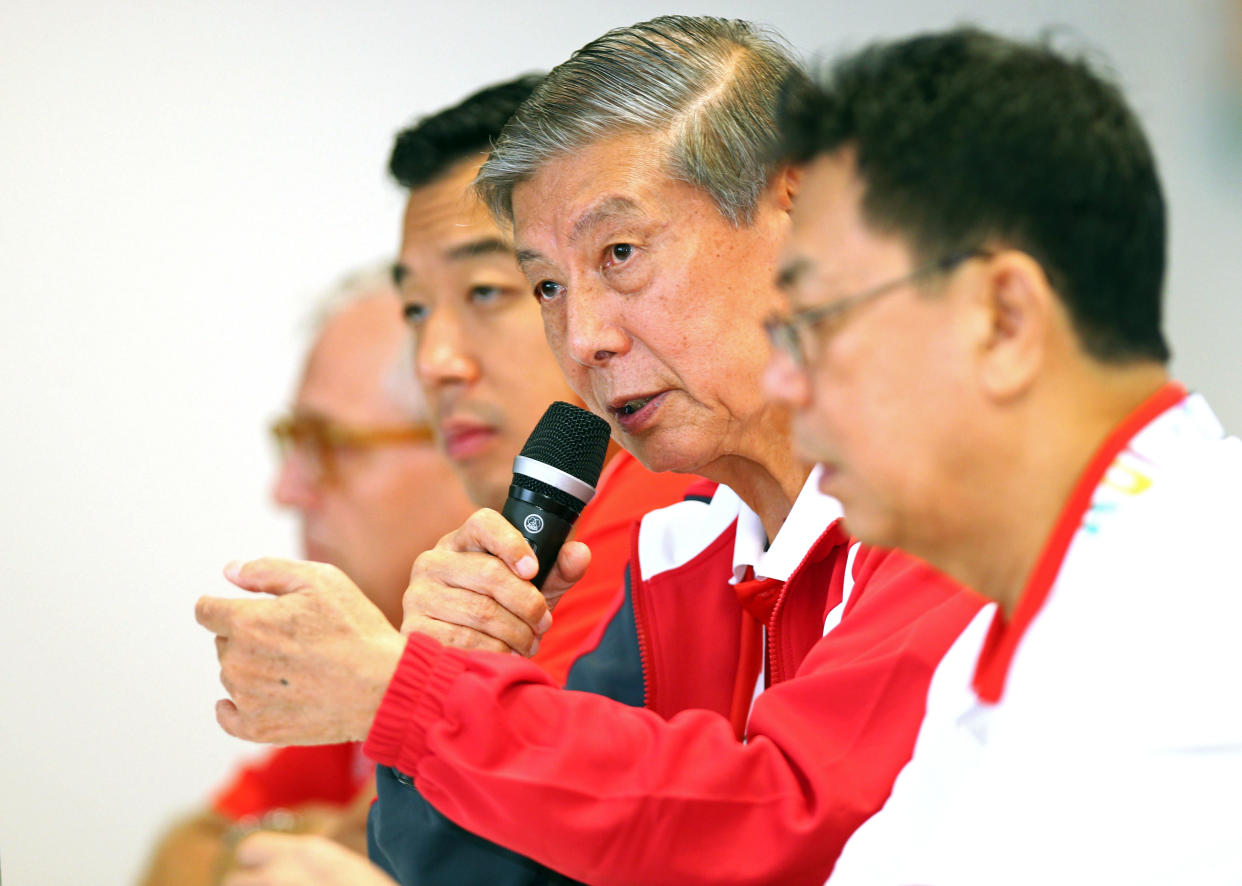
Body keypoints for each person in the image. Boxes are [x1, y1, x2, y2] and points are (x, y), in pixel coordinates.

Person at [196, 17, 984, 886]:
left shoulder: (957, 501)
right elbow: (490, 871)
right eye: (547, 286)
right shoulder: (689, 545)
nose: (583, 339)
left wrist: (408, 696)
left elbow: (790, 825)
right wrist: (459, 664)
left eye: (620, 253)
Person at [765, 27, 1242, 884]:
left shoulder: (1200, 612)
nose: (782, 381)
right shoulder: (1010, 623)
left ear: (1005, 319)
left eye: (815, 324)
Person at [213, 76, 703, 885]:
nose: (437, 360)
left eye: (488, 292)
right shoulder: (496, 547)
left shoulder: (668, 514)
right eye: (414, 310)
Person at [139, 267, 475, 886]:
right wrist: (306, 836)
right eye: (292, 441)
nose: (286, 489)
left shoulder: (546, 648)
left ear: (465, 445)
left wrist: (292, 838)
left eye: (328, 443)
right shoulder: (370, 645)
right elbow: (182, 852)